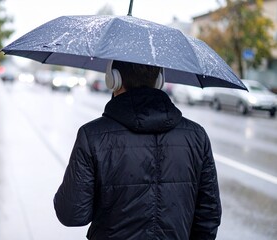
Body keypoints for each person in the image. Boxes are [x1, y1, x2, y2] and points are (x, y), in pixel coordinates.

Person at [53, 60, 222, 240]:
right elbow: (208, 216)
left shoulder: (92, 135)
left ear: (113, 79)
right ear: (159, 81)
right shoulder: (196, 136)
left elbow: (71, 214)